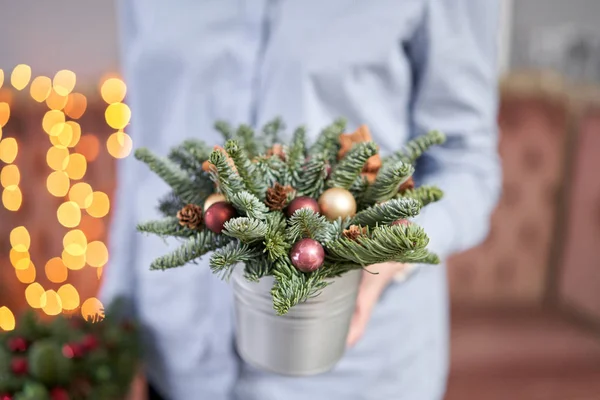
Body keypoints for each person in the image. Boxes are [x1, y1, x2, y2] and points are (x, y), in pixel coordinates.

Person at [100, 1, 501, 399]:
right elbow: (142, 156)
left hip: (352, 366)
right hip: (177, 357)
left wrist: (395, 246)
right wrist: (111, 325)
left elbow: (466, 161)